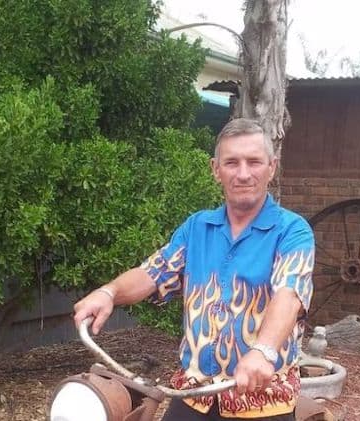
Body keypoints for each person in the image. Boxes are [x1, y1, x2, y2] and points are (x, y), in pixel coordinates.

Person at [73, 118, 314, 420]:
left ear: (271, 168)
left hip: (261, 399)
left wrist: (263, 351)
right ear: (216, 169)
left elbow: (289, 294)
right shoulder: (197, 227)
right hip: (193, 393)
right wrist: (108, 292)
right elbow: (153, 272)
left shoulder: (292, 231)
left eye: (254, 162)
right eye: (231, 163)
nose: (243, 173)